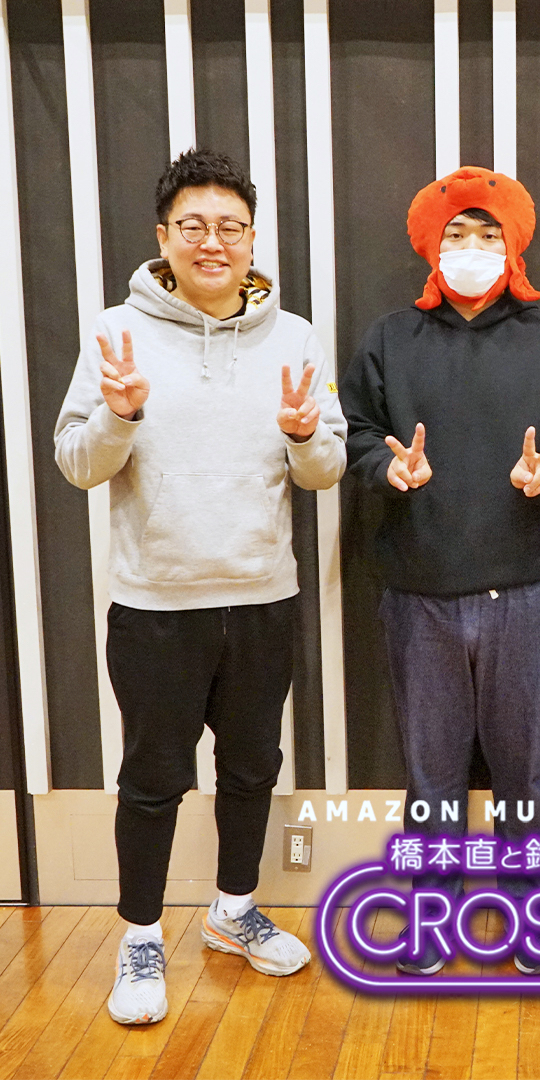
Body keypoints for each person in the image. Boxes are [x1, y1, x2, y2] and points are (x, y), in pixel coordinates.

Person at [54, 149, 347, 1024]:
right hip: (156, 604)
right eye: (194, 226)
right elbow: (76, 464)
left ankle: (232, 911)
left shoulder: (293, 336)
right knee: (152, 778)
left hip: (263, 596)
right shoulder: (117, 332)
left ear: (252, 239)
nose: (212, 242)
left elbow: (326, 469)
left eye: (230, 227)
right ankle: (141, 936)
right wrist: (120, 415)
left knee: (253, 768)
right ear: (163, 237)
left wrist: (304, 435)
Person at [339, 166, 540, 976]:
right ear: (431, 243)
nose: (472, 247)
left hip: (529, 588)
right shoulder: (390, 338)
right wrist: (386, 469)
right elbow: (356, 432)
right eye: (457, 233)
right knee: (430, 775)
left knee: (528, 773)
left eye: (488, 234)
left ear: (513, 244)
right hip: (419, 591)